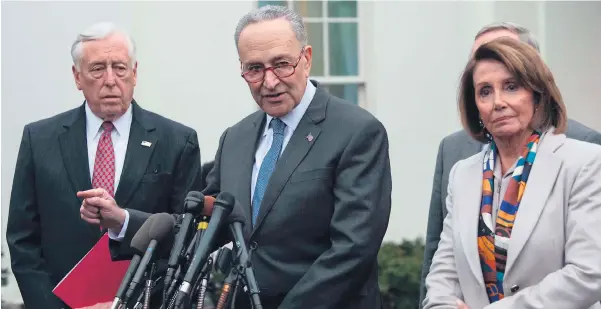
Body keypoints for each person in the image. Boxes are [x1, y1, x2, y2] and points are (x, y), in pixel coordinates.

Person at [202, 5, 391, 309]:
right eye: (254, 69)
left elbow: (352, 249)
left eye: (281, 64)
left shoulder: (357, 131)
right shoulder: (235, 139)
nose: (270, 81)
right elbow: (207, 220)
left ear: (307, 58)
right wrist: (126, 222)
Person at [6, 22, 202, 309]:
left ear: (134, 74)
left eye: (120, 68)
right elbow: (23, 240)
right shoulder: (40, 139)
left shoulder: (177, 141)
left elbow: (187, 238)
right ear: (77, 77)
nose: (110, 80)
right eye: (98, 68)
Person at [419, 21, 601, 307]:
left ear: (537, 95)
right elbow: (443, 273)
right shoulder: (462, 175)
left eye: (511, 87)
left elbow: (589, 272)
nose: (498, 102)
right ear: (475, 105)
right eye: (485, 91)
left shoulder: (583, 162)